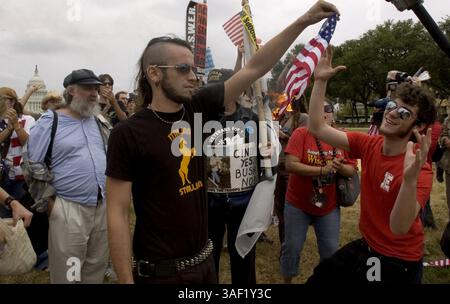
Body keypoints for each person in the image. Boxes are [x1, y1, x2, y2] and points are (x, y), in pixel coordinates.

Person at [105, 1, 340, 284]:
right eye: (182, 69)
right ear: (154, 73)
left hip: (204, 264)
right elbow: (117, 212)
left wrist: (303, 20)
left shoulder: (198, 109)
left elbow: (255, 68)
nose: (193, 76)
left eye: (193, 69)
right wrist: (124, 279)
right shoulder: (128, 134)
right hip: (159, 271)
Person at [307, 46, 436, 284]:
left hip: (399, 260)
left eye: (405, 113)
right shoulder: (368, 144)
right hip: (368, 245)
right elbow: (316, 127)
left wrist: (408, 181)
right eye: (391, 106)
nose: (393, 113)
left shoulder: (420, 170)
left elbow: (399, 227)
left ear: (418, 127)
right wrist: (320, 81)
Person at [27, 69, 109, 283]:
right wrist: (50, 204)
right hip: (68, 208)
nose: (94, 93)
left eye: (96, 88)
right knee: (70, 270)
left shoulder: (98, 121)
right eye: (88, 88)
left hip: (101, 206)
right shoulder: (49, 121)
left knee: (95, 263)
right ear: (71, 91)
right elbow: (32, 164)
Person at [280, 101, 357, 283]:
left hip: (328, 206)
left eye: (327, 110)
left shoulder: (342, 137)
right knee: (292, 247)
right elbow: (290, 165)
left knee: (330, 250)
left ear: (332, 115)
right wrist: (323, 170)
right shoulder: (301, 133)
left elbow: (352, 170)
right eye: (318, 110)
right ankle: (287, 281)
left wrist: (339, 167)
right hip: (298, 204)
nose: (323, 114)